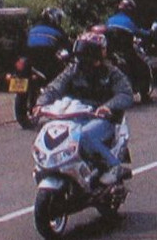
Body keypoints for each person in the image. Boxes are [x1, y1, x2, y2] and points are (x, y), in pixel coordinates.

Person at [35, 28, 134, 185]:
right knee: (51, 130)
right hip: (74, 114)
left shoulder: (111, 73)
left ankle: (113, 166)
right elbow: (54, 88)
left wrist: (108, 107)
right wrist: (41, 103)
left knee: (85, 135)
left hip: (102, 118)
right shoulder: (73, 71)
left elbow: (125, 94)